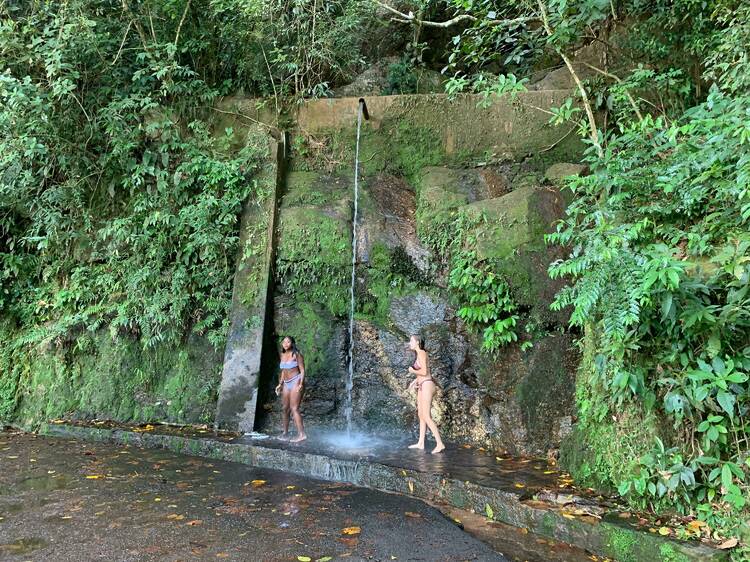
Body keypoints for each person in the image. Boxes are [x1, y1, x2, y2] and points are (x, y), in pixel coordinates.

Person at [406, 334, 445, 454]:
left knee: (426, 416)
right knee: (421, 414)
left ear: (417, 342)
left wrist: (412, 371)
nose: (409, 343)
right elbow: (423, 372)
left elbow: (424, 371)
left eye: (411, 340)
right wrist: (414, 381)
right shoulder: (419, 354)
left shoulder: (422, 352)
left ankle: (440, 443)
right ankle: (421, 443)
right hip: (422, 384)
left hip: (427, 384)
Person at [275, 336, 307, 443]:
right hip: (286, 383)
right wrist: (280, 384)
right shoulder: (282, 355)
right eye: (284, 342)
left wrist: (301, 384)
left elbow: (302, 370)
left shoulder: (296, 354)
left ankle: (302, 434)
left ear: (292, 343)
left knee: (294, 408)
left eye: (288, 342)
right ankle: (285, 433)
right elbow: (283, 371)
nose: (285, 343)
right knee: (285, 408)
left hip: (296, 381)